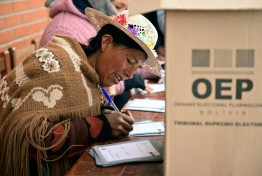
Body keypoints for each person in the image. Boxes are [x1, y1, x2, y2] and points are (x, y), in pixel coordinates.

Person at [0, 7, 160, 175]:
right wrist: (103, 125)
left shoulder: (89, 73)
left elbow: (73, 112)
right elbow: (30, 139)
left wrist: (107, 115)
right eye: (129, 60)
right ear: (106, 42)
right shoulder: (59, 67)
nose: (129, 74)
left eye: (137, 68)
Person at [40, 0, 151, 110]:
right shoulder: (63, 29)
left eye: (125, 9)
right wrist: (99, 123)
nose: (120, 15)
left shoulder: (98, 28)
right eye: (118, 7)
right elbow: (63, 95)